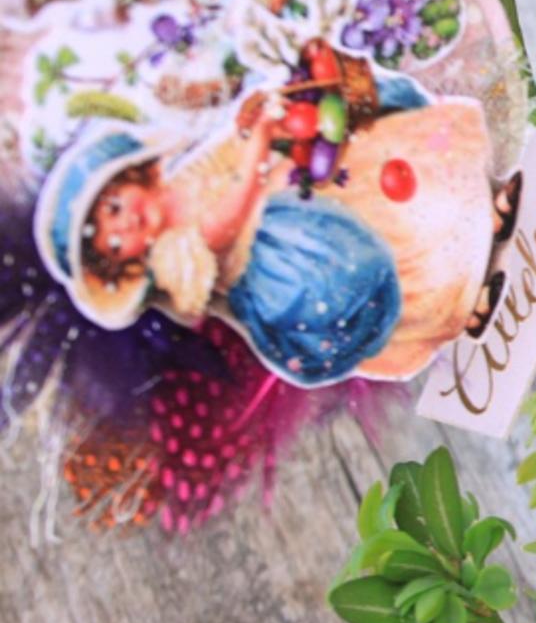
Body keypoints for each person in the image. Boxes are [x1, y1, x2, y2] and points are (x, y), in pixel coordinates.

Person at [34, 67, 506, 386]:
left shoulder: (183, 176)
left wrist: (261, 128)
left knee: (380, 158)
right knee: (364, 259)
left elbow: (227, 154)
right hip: (288, 256)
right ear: (128, 263)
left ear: (129, 175)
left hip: (302, 190)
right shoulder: (173, 257)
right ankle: (460, 300)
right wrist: (260, 148)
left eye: (115, 206)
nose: (128, 223)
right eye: (117, 243)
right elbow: (222, 227)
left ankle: (482, 207)